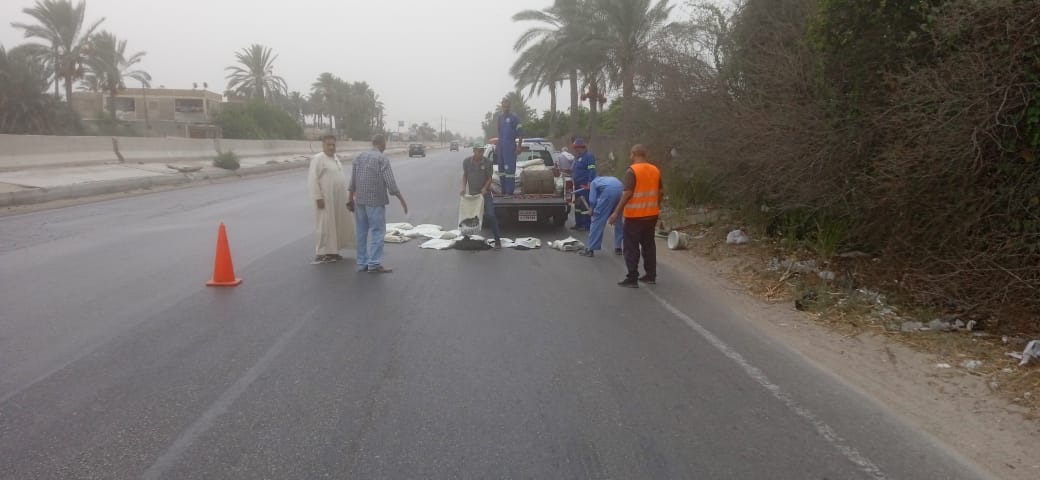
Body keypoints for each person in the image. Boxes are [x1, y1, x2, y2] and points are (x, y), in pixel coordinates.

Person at [349, 134, 408, 273]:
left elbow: (352, 182)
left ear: (372, 143)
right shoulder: (382, 159)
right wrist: (402, 199)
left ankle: (362, 262)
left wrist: (350, 199)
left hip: (360, 201)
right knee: (378, 231)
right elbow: (391, 184)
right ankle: (374, 263)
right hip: (375, 201)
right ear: (382, 144)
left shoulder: (358, 157)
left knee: (361, 232)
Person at [609, 144, 663, 287]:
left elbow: (627, 193)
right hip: (651, 215)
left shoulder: (632, 171)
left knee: (631, 247)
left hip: (635, 216)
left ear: (634, 154)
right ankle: (651, 275)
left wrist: (616, 212)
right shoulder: (655, 170)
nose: (630, 157)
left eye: (630, 154)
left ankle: (632, 278)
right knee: (649, 245)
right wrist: (656, 205)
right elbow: (661, 191)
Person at [307, 134, 355, 264]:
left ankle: (333, 251)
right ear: (323, 145)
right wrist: (318, 197)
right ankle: (322, 253)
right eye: (328, 144)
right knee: (325, 226)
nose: (331, 147)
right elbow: (313, 180)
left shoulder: (335, 158)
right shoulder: (318, 159)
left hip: (337, 199)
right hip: (325, 199)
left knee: (336, 225)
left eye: (333, 145)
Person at [461, 143, 502, 249]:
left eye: (482, 151)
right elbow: (465, 175)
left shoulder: (488, 163)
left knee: (491, 215)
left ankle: (497, 241)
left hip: (485, 194)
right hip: (473, 195)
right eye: (479, 151)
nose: (481, 153)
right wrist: (463, 188)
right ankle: (466, 237)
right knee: (468, 216)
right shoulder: (466, 162)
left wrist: (484, 188)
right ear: (474, 151)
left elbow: (490, 178)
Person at [579, 175, 624, 257]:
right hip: (621, 189)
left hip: (609, 192)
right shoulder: (605, 180)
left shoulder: (593, 183)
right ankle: (618, 248)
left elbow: (592, 199)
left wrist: (592, 209)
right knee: (618, 220)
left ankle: (590, 249)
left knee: (597, 220)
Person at [495, 98, 524, 195]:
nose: (505, 108)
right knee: (501, 171)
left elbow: (520, 133)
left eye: (507, 107)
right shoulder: (500, 118)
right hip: (501, 148)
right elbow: (499, 133)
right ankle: (503, 192)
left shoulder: (514, 117)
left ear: (510, 107)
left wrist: (519, 146)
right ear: (502, 107)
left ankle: (509, 193)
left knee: (510, 171)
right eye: (504, 107)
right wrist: (497, 146)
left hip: (510, 148)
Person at [571, 137, 596, 230]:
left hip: (584, 185)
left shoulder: (588, 156)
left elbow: (592, 170)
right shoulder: (578, 157)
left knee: (584, 205)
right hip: (577, 185)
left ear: (580, 147)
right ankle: (578, 223)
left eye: (576, 148)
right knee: (577, 205)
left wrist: (590, 182)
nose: (575, 150)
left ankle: (586, 225)